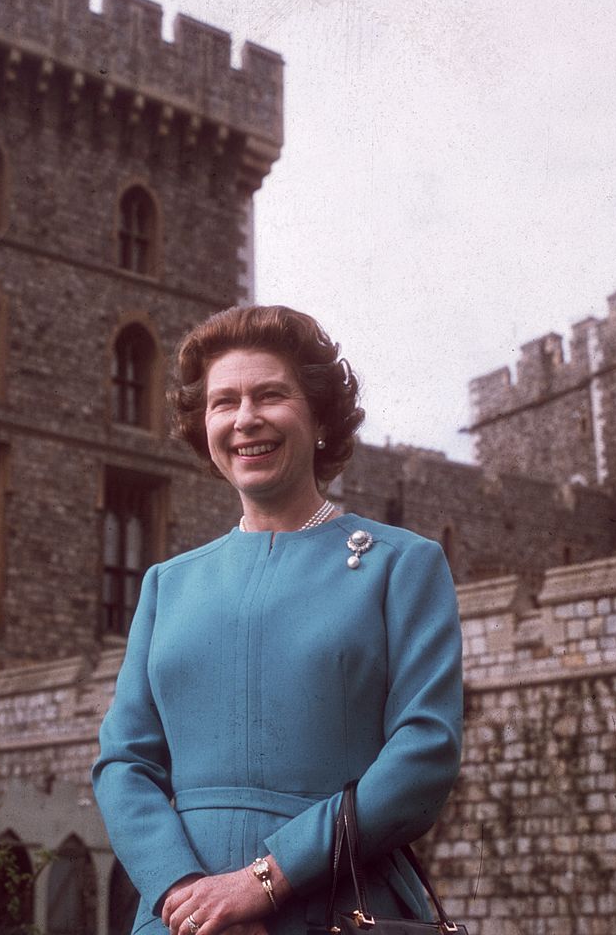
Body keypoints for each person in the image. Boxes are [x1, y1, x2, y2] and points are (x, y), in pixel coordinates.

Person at [92, 305, 463, 935]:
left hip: (337, 902)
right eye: (223, 402)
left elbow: (424, 755)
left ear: (319, 417)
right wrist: (188, 895)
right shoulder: (166, 585)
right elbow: (124, 764)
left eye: (271, 396)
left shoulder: (405, 566)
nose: (245, 420)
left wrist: (266, 880)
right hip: (183, 920)